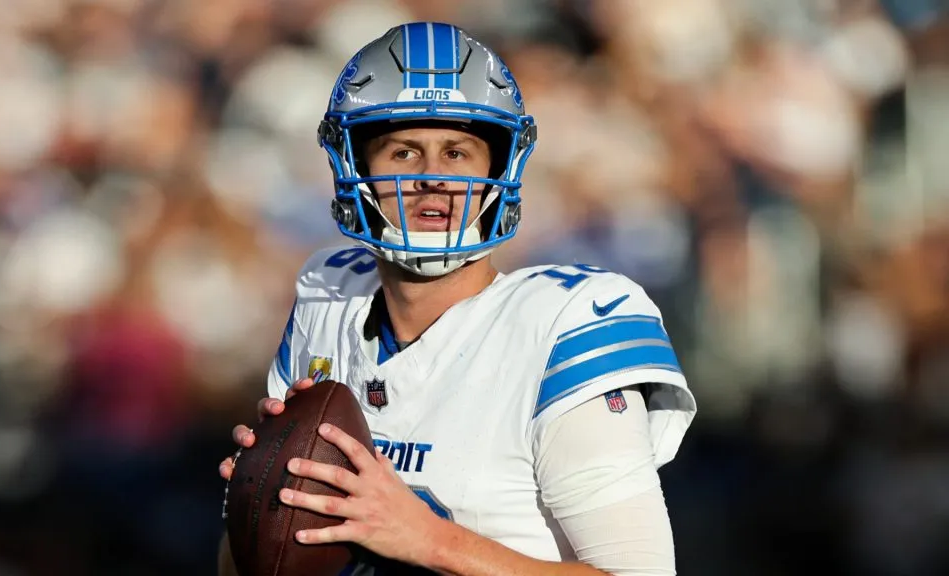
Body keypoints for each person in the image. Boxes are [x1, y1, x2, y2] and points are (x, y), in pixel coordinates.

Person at [217, 22, 696, 576]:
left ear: (497, 167)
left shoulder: (562, 325)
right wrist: (261, 502)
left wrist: (428, 540)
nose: (433, 177)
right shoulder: (329, 297)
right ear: (355, 167)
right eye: (403, 152)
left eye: (457, 151)